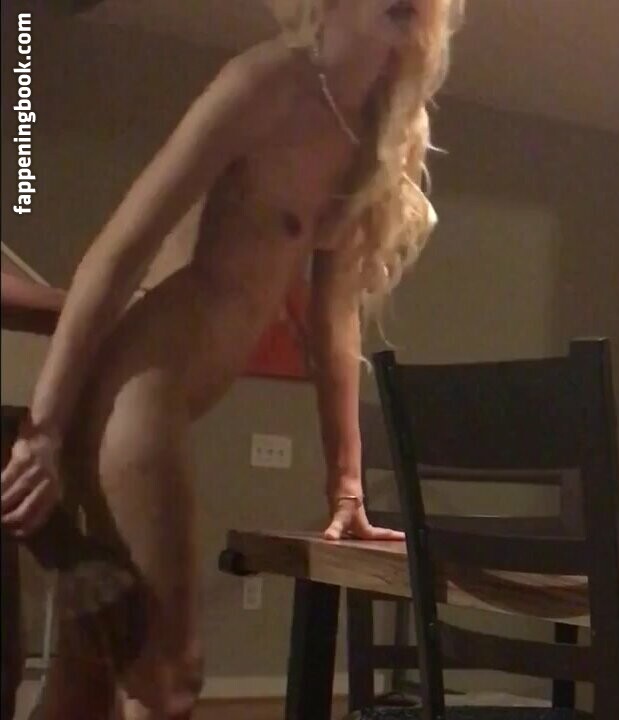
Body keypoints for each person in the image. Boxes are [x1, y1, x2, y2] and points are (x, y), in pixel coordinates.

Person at [0, 0, 462, 717]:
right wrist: (46, 429)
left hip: (167, 400)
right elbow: (119, 251)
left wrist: (346, 485)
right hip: (134, 394)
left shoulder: (380, 134)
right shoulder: (263, 84)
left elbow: (334, 321)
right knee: (168, 676)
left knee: (88, 673)